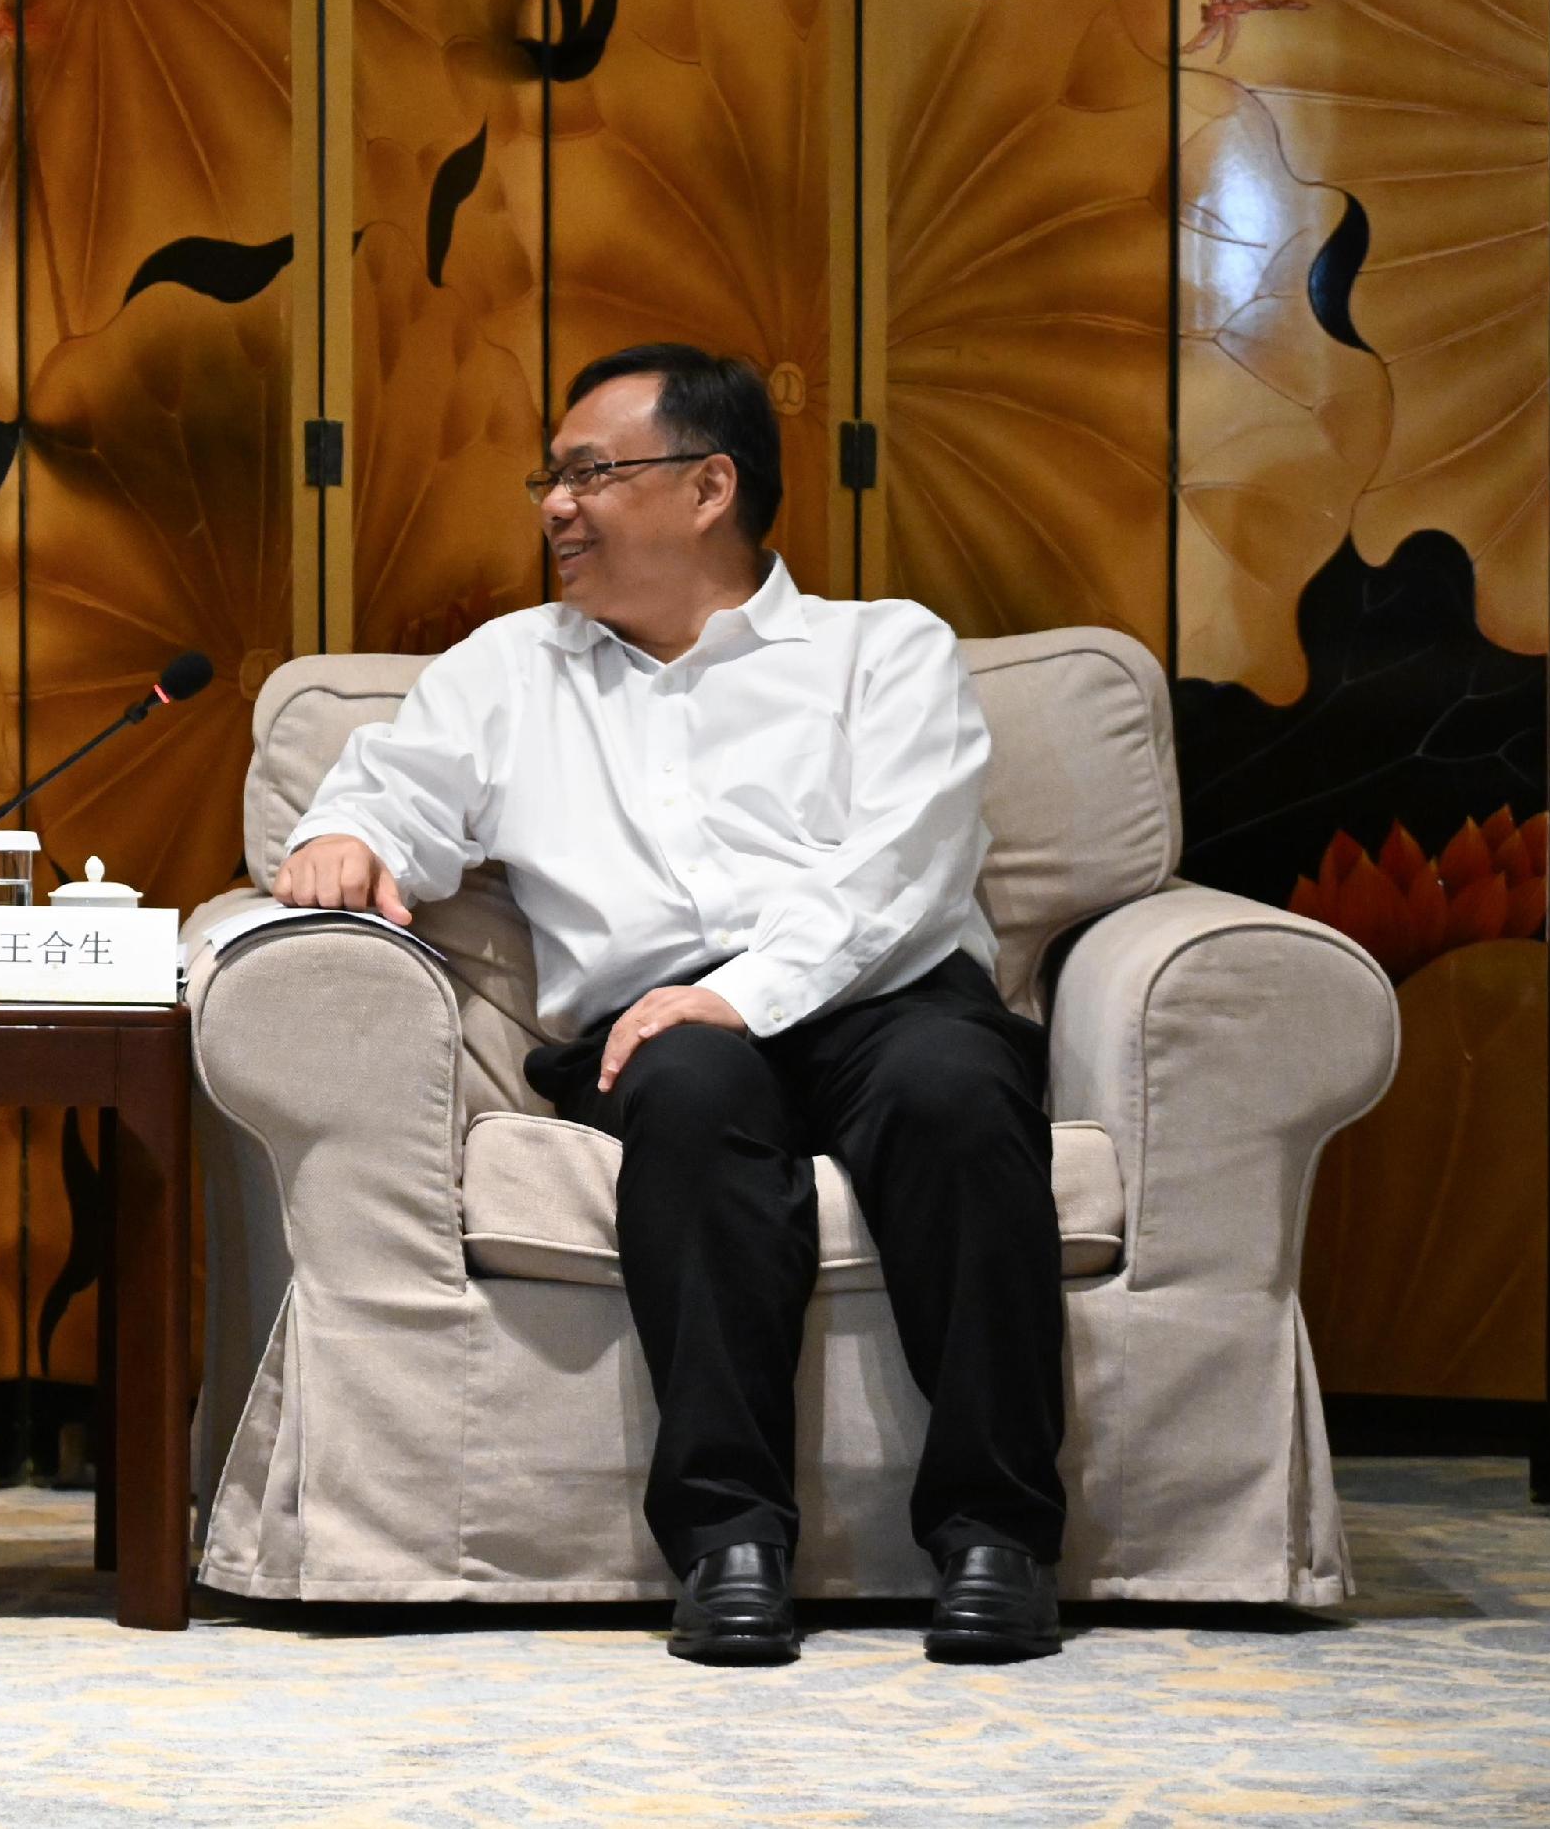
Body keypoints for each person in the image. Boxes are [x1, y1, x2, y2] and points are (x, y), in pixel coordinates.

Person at [273, 343, 1064, 1666]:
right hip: (655, 1027)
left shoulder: (882, 652)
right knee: (690, 1093)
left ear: (710, 487)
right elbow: (391, 789)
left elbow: (903, 871)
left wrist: (741, 997)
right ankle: (727, 1544)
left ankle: (999, 1539)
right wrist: (346, 838)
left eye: (590, 473)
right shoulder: (511, 670)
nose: (554, 507)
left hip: (884, 998)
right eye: (552, 477)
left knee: (957, 1092)